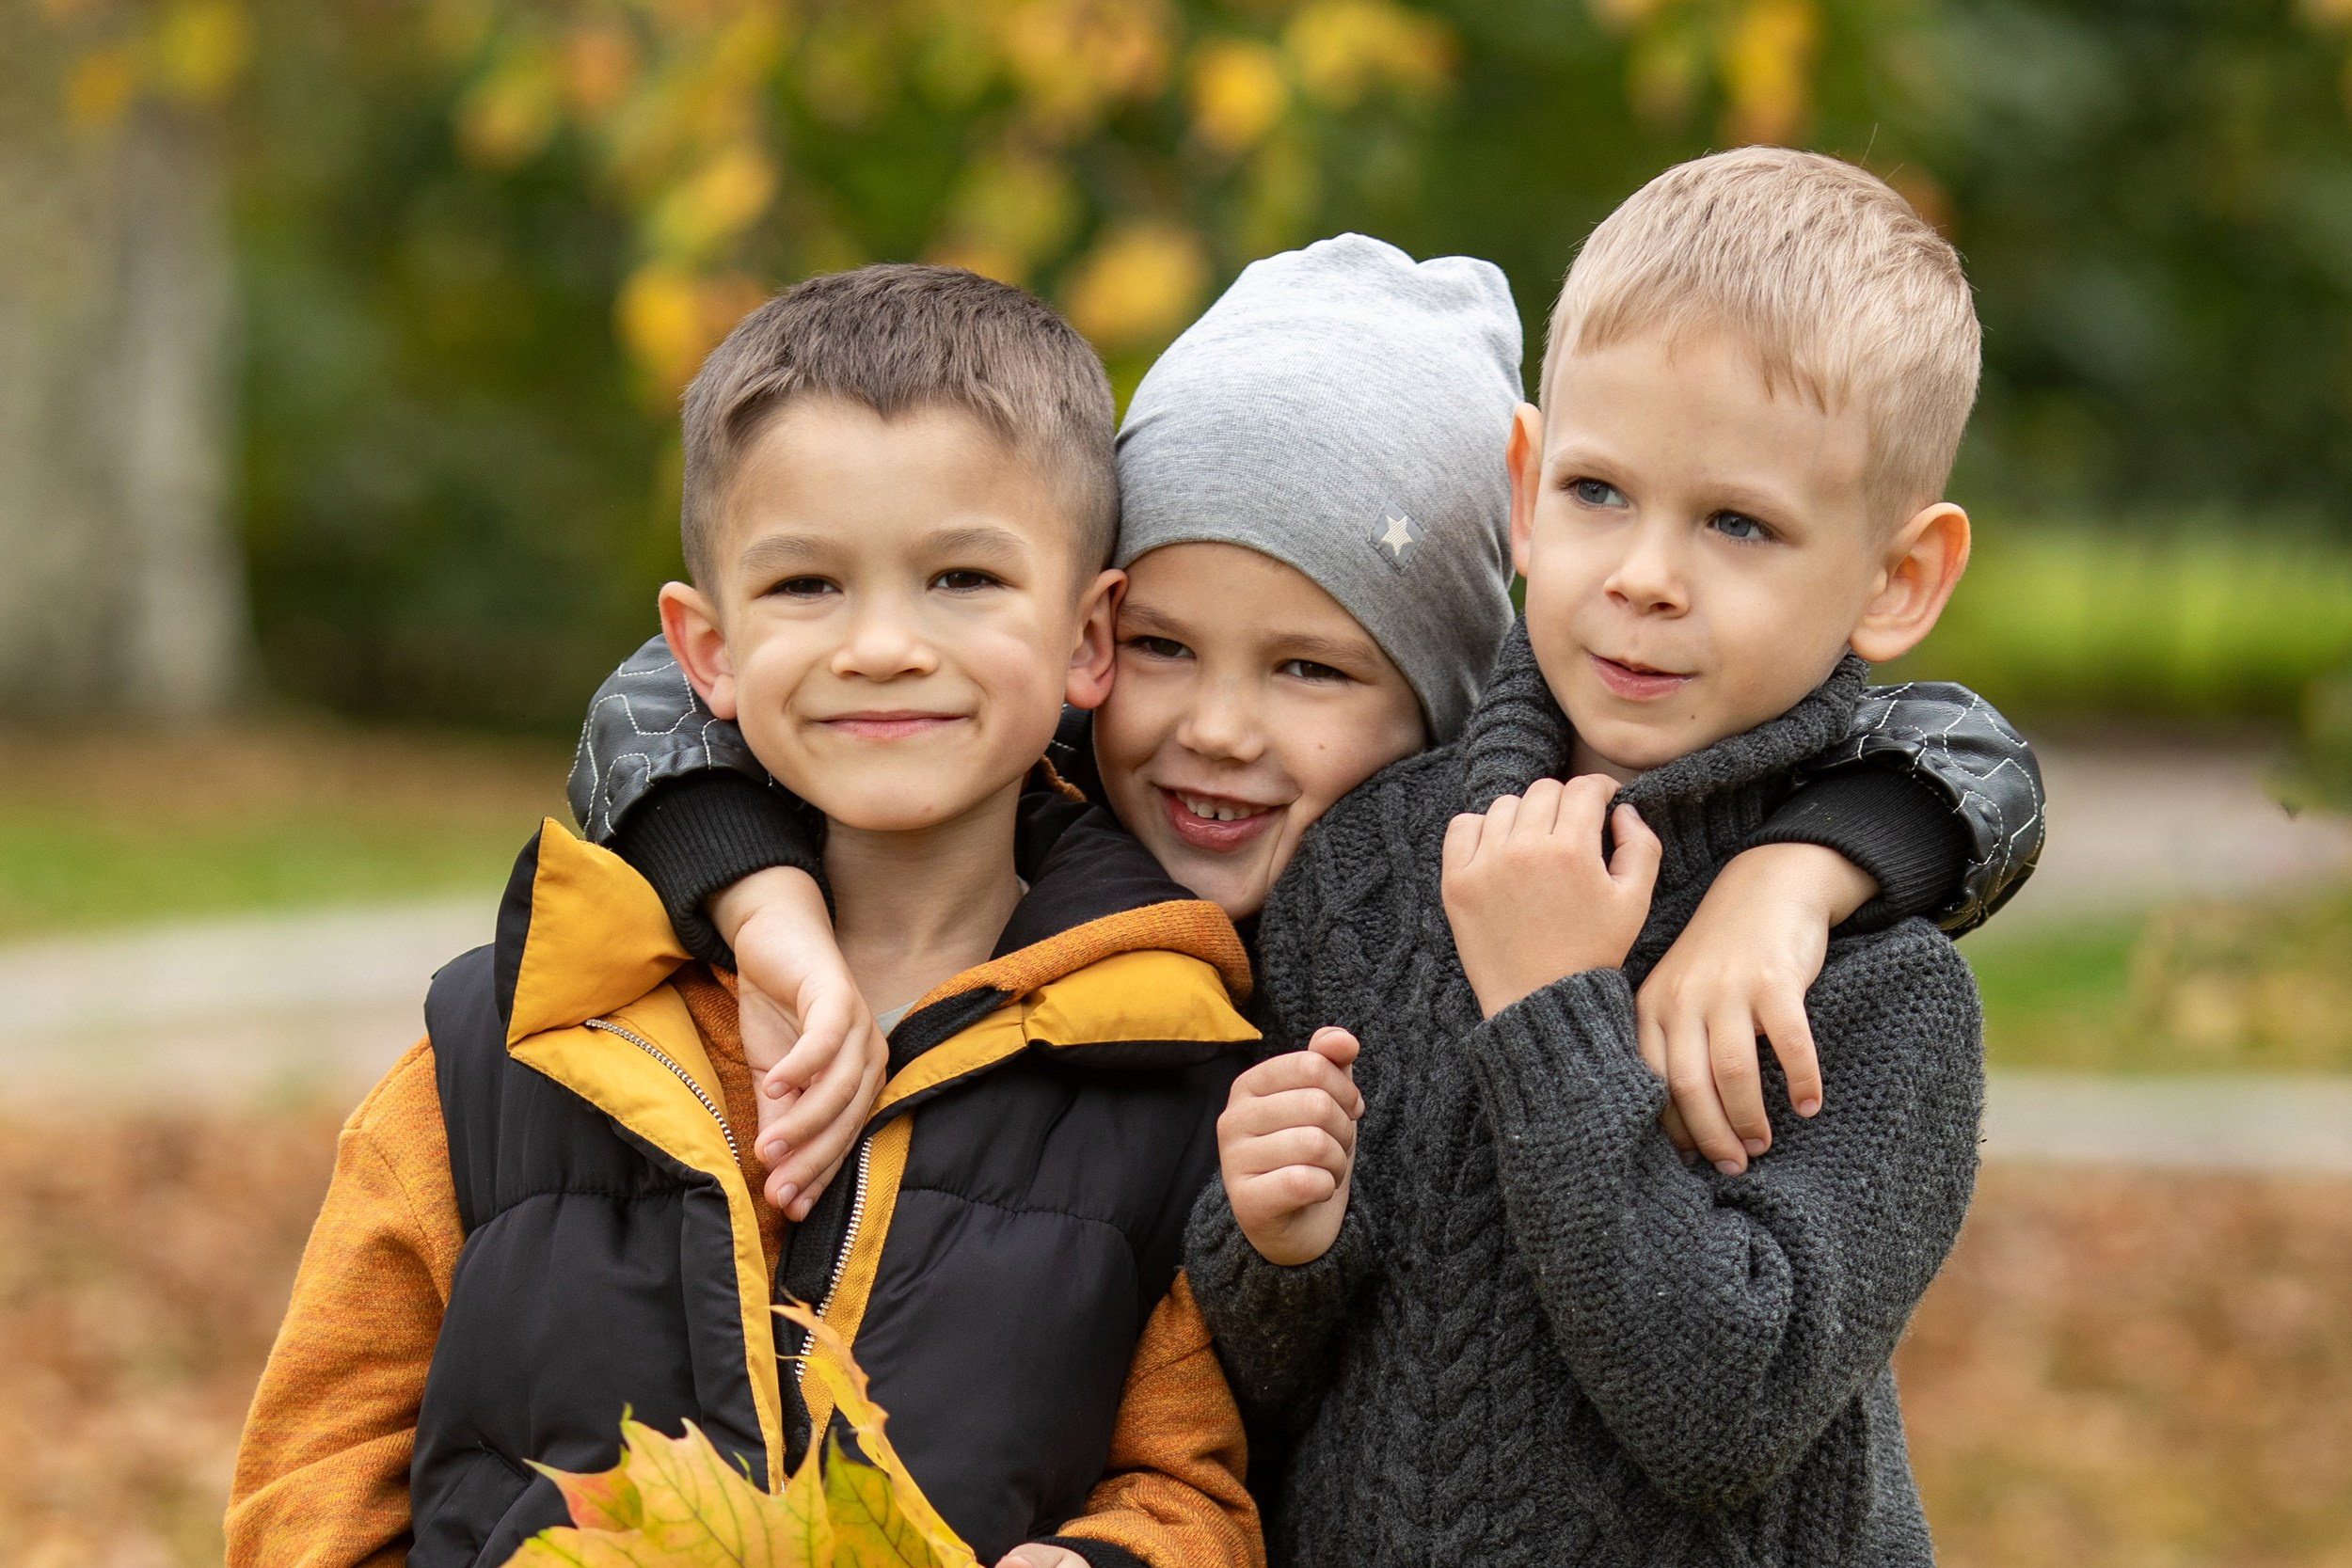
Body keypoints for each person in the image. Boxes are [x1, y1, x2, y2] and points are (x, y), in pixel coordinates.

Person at [559, 233, 2040, 1243]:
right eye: (1160, 648)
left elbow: (1957, 745)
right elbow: (671, 690)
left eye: (1316, 671)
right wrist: (766, 905)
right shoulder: (1025, 791)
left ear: (1454, 701)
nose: (1216, 729)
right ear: (1086, 632)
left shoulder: (1480, 860)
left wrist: (1799, 873)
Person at [228, 267, 1269, 1568]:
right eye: (806, 588)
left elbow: (1194, 1493)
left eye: (961, 579)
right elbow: (309, 1478)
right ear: (704, 651)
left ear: (1088, 636)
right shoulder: (520, 1039)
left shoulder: (1165, 1081)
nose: (882, 644)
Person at [1197, 148, 2000, 1564]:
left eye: (1737, 522)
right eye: (1599, 493)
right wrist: (1275, 1245)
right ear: (1523, 487)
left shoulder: (1881, 993)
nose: (1643, 574)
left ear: (1898, 577)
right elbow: (1266, 1393)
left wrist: (1551, 1013)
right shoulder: (1365, 865)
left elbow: (1726, 1413)